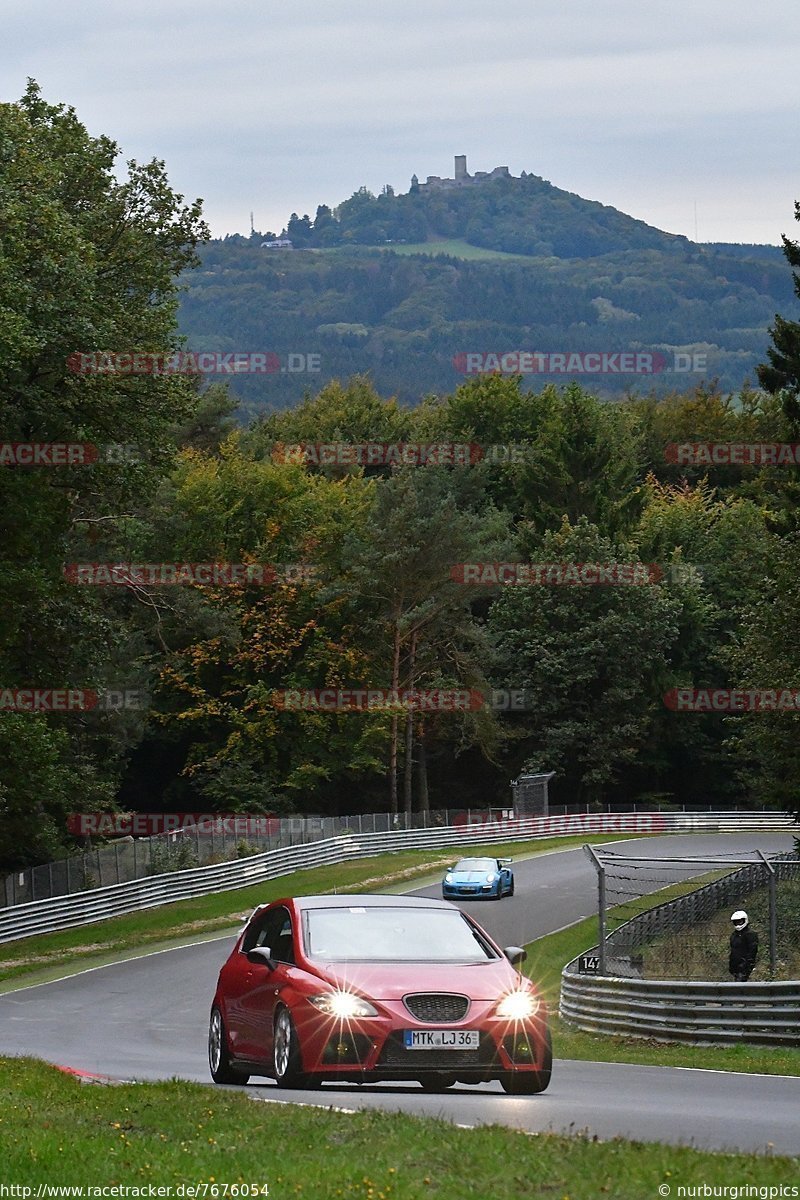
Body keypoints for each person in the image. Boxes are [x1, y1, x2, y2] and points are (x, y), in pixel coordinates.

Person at [728, 910, 758, 981]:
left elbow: (752, 951)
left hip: (745, 967)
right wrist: (731, 965)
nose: (738, 924)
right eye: (736, 922)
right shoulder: (734, 935)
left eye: (740, 922)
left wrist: (745, 964)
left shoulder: (750, 934)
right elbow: (733, 950)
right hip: (735, 967)